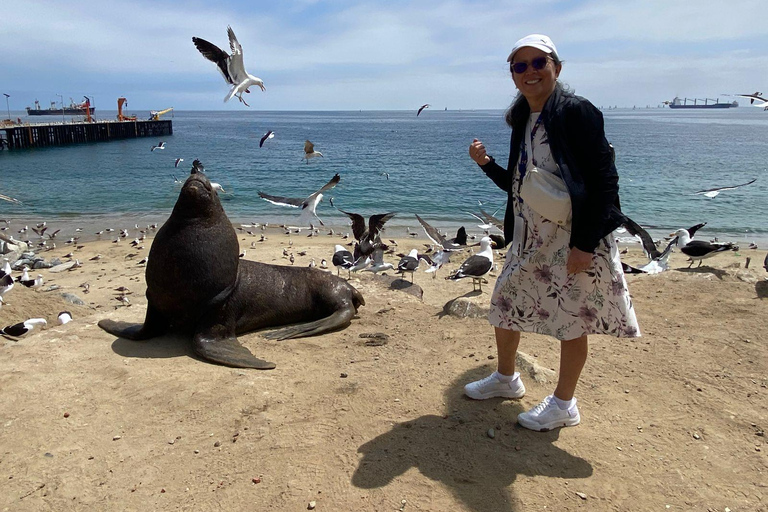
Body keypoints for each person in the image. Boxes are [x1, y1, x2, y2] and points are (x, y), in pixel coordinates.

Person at [465, 34, 640, 431]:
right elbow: (520, 184)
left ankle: (564, 404)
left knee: (572, 320)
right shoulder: (523, 118)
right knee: (504, 304)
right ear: (512, 75)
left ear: (556, 68)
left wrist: (584, 245)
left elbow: (604, 182)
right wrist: (486, 163)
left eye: (538, 63)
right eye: (519, 66)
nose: (529, 72)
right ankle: (507, 380)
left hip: (573, 237)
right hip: (529, 239)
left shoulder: (577, 113)